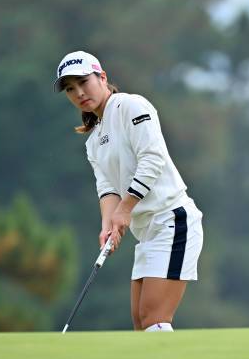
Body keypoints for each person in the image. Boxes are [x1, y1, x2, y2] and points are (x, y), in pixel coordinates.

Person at [53, 51, 203, 332]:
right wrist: (108, 225)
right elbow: (107, 186)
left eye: (84, 82)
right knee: (140, 324)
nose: (79, 93)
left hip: (172, 221)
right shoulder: (94, 139)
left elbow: (152, 159)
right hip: (147, 231)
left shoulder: (130, 106)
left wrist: (125, 211)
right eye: (70, 89)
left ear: (102, 78)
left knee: (154, 320)